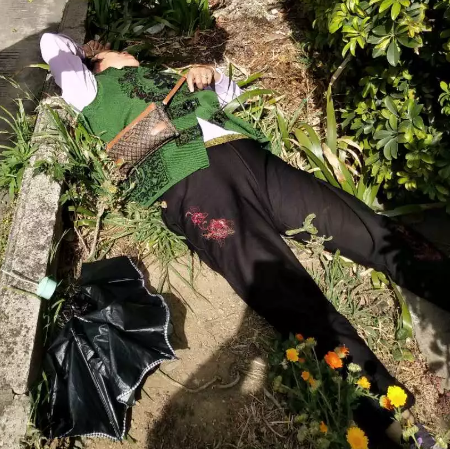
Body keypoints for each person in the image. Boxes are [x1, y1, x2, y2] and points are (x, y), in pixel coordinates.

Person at [41, 32, 450, 447]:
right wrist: (90, 53)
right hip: (195, 186)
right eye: (117, 52)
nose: (128, 52)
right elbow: (51, 43)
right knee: (292, 300)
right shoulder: (89, 90)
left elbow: (232, 97)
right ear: (95, 66)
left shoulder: (170, 76)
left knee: (367, 229)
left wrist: (212, 75)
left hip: (253, 162)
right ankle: (395, 423)